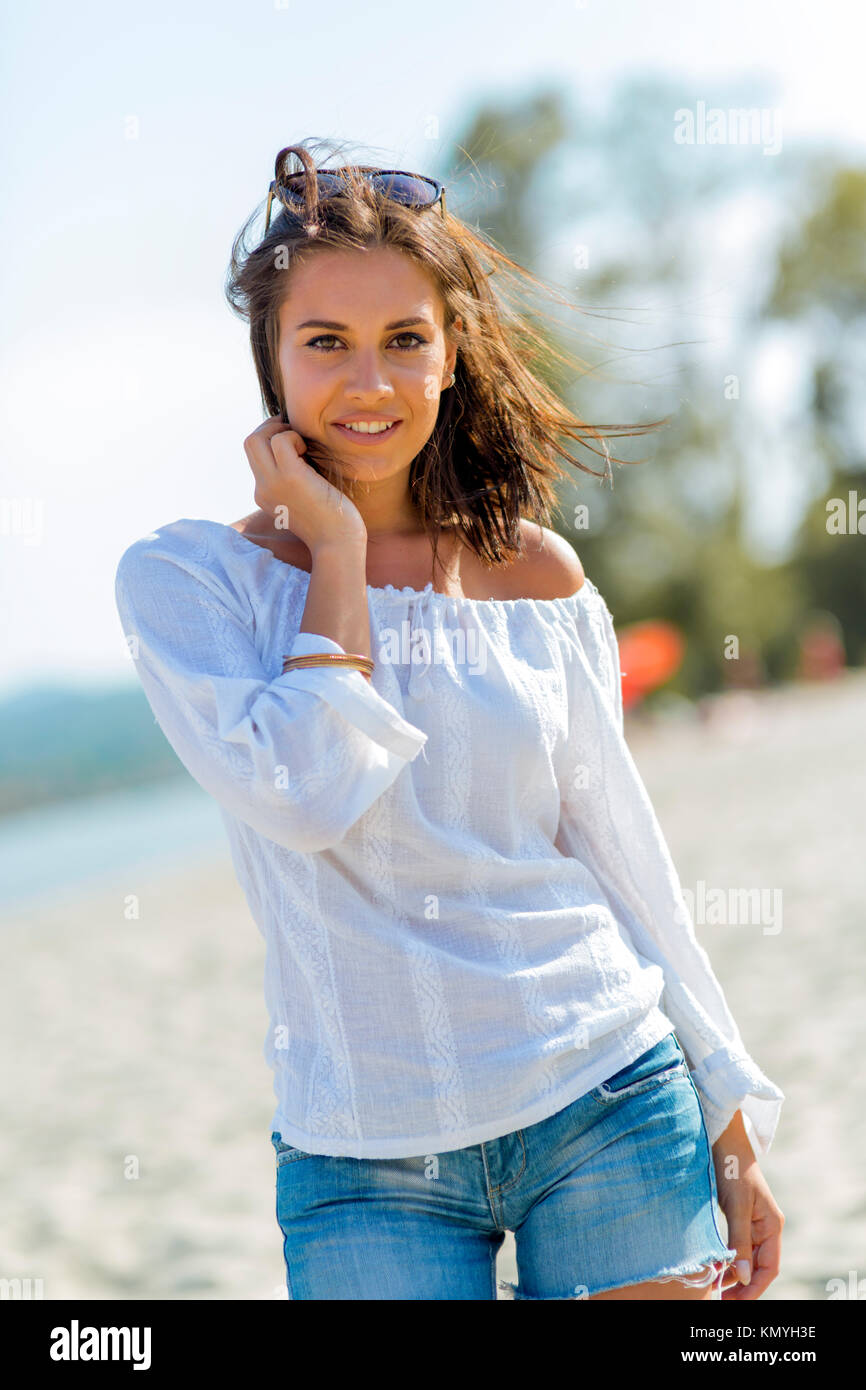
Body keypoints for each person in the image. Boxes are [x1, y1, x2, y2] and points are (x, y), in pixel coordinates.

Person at [114, 139, 785, 1301]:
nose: (366, 382)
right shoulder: (192, 589)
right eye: (324, 342)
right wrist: (333, 547)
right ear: (272, 360)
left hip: (610, 1099)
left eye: (403, 340)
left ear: (450, 354)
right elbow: (306, 791)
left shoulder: (536, 576)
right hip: (365, 1159)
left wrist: (727, 1115)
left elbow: (625, 862)